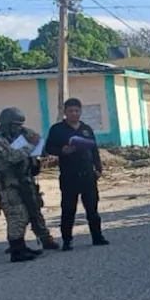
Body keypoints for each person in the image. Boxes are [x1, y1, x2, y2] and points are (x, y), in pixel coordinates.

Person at [0, 108, 53, 262]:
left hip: (23, 180)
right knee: (17, 216)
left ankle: (22, 246)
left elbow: (34, 139)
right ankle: (16, 250)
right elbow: (12, 156)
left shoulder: (19, 134)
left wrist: (39, 145)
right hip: (8, 183)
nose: (19, 128)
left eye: (20, 125)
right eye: (15, 125)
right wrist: (30, 145)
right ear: (6, 125)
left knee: (31, 210)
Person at [45, 97, 108, 250]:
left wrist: (98, 168)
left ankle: (97, 237)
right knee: (68, 209)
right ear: (65, 112)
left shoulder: (86, 129)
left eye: (76, 111)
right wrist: (62, 151)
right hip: (69, 174)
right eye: (70, 111)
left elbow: (94, 149)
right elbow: (49, 148)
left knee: (92, 208)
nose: (74, 114)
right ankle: (67, 240)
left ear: (80, 112)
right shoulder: (57, 129)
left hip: (87, 173)